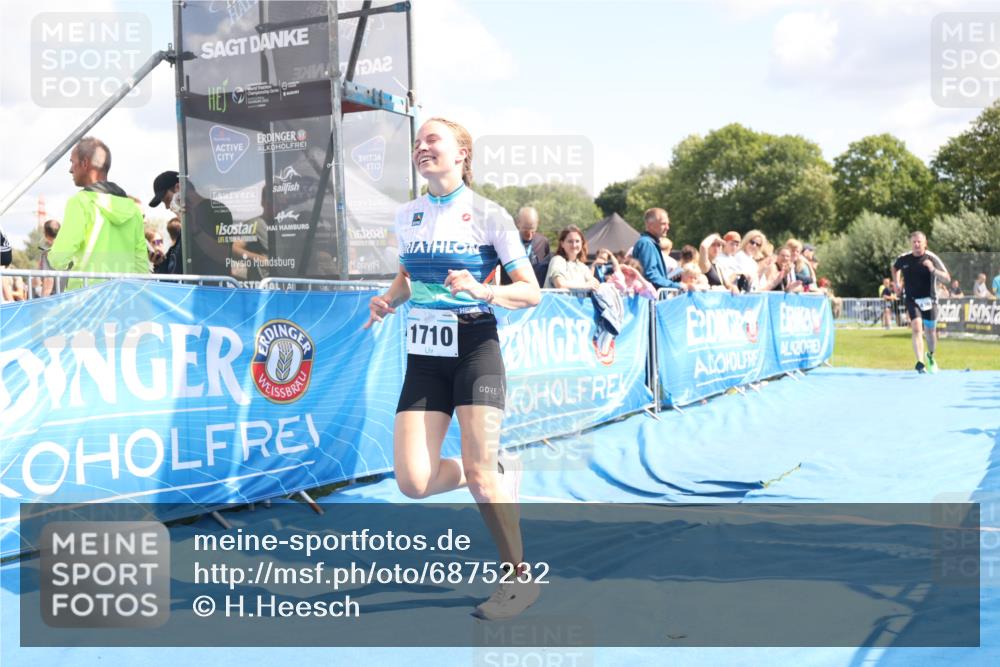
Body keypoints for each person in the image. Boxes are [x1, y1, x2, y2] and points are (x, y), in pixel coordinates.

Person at [363, 117, 541, 621]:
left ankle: (518, 579)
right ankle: (494, 470)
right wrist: (388, 301)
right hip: (424, 356)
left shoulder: (488, 214)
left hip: (474, 346)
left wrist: (484, 289)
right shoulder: (407, 215)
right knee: (413, 482)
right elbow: (407, 277)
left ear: (462, 153)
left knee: (481, 477)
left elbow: (530, 291)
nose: (421, 147)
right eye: (418, 142)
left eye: (432, 140)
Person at [46, 138, 148, 288]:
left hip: (86, 296)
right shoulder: (133, 209)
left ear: (85, 163)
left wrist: (50, 255)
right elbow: (142, 267)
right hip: (124, 295)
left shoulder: (80, 202)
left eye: (72, 162)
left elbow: (59, 259)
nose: (70, 169)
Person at [149, 169, 232, 276]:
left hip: (205, 286)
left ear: (179, 188)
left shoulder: (213, 211)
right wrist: (160, 262)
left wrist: (195, 230)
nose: (167, 207)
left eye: (167, 199)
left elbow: (224, 257)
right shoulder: (188, 217)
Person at [892, 231, 950, 374]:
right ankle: (920, 362)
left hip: (930, 300)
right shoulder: (904, 258)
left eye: (919, 242)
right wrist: (897, 283)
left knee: (930, 332)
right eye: (914, 242)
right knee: (917, 328)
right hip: (912, 299)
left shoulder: (932, 258)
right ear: (911, 244)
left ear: (925, 243)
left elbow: (947, 278)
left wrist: (932, 269)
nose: (916, 244)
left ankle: (930, 355)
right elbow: (894, 267)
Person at [630, 208, 683, 291]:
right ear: (650, 225)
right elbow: (650, 276)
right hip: (650, 297)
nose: (667, 227)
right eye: (663, 224)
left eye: (668, 224)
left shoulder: (650, 243)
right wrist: (678, 286)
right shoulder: (646, 244)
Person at [500, 206, 550, 286]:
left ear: (537, 223)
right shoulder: (505, 242)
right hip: (511, 289)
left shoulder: (543, 242)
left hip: (535, 290)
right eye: (525, 230)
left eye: (532, 230)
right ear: (518, 223)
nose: (529, 235)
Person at [37, 218, 62, 296]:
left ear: (45, 233)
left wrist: (43, 301)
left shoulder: (48, 253)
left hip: (53, 297)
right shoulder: (68, 249)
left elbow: (48, 280)